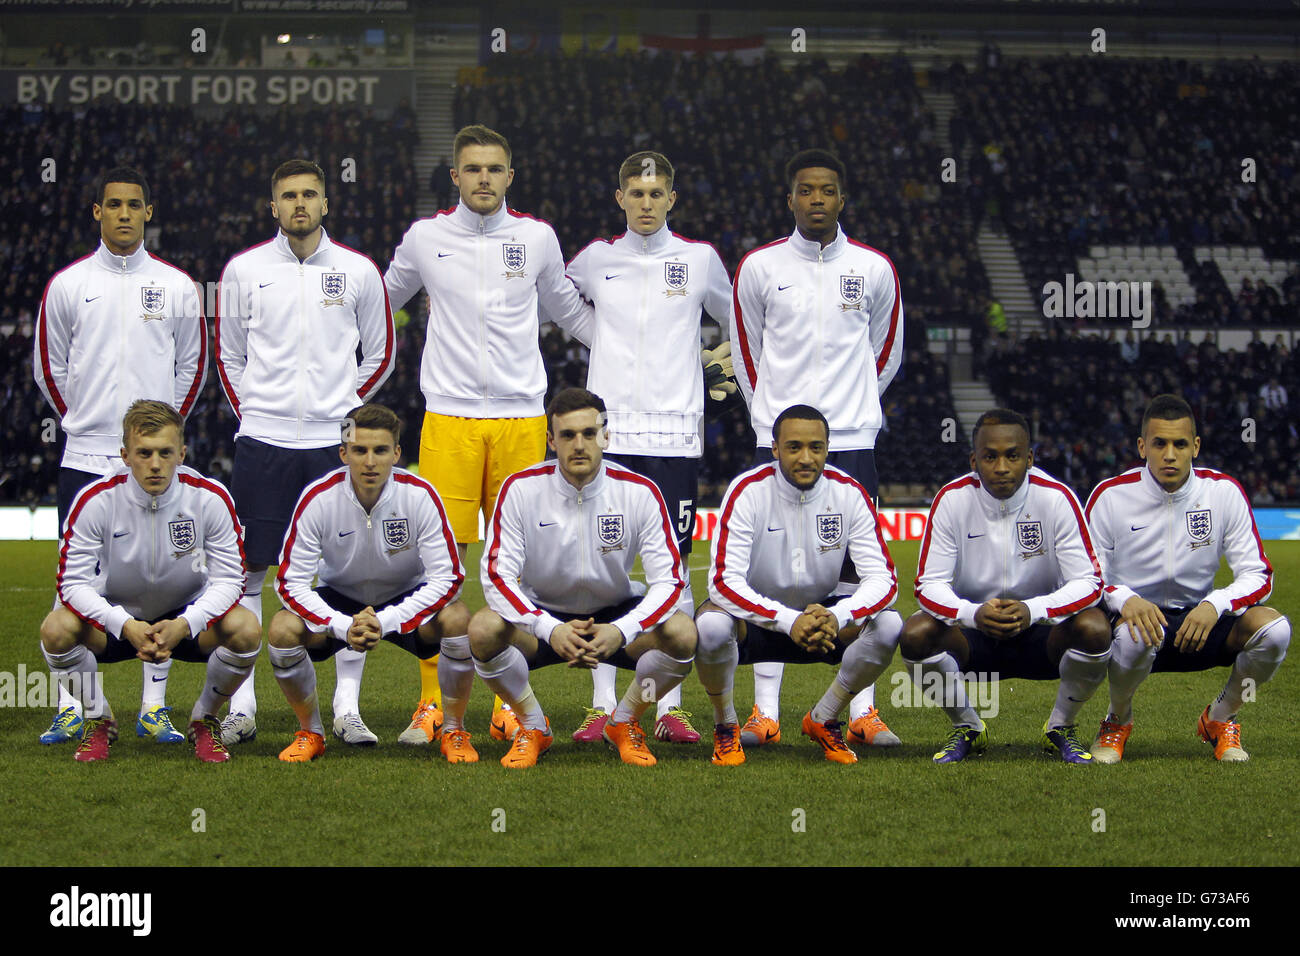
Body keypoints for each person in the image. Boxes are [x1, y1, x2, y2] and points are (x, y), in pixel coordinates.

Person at [384, 125, 594, 746]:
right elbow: (378, 300)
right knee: (436, 566)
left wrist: (647, 355)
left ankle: (509, 700)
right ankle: (431, 703)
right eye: (472, 168)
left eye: (494, 169)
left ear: (510, 175)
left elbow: (569, 311)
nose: (483, 178)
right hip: (447, 417)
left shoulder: (536, 238)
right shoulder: (426, 238)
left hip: (523, 418)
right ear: (454, 176)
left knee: (520, 566)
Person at [215, 158, 396, 747]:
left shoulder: (358, 271)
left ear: (325, 204)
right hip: (263, 443)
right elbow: (229, 356)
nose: (299, 204)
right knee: (246, 574)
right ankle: (240, 706)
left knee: (342, 573)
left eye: (310, 195)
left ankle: (345, 708)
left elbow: (382, 353)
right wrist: (258, 415)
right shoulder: (243, 270)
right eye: (288, 195)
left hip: (330, 446)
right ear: (273, 206)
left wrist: (344, 415)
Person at [730, 148, 903, 749]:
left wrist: (850, 415)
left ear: (841, 198)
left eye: (827, 190)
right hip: (776, 442)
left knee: (858, 577)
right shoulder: (759, 267)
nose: (817, 199)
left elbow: (885, 352)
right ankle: (764, 712)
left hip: (852, 437)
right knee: (767, 574)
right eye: (806, 190)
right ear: (791, 199)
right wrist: (778, 426)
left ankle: (859, 710)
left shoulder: (875, 268)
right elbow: (746, 352)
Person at [562, 149, 735, 746]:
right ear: (620, 198)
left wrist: (722, 361)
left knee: (674, 573)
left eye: (655, 193)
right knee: (603, 572)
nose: (645, 203)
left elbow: (741, 318)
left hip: (676, 439)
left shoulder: (699, 259)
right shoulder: (595, 260)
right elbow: (555, 301)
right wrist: (598, 335)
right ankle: (601, 706)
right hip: (610, 439)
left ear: (671, 199)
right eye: (635, 193)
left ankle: (666, 706)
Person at [33, 166, 207, 747]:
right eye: (114, 205)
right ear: (96, 212)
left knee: (160, 581)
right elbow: (50, 367)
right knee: (74, 588)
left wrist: (158, 438)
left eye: (135, 204)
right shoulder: (66, 285)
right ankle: (80, 707)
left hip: (155, 459)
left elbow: (193, 366)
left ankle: (153, 708)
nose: (125, 214)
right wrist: (83, 422)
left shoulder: (178, 286)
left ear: (149, 213)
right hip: (85, 456)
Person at [469, 388, 697, 768]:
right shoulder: (521, 489)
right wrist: (547, 628)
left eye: (589, 434)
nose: (579, 444)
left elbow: (670, 582)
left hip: (615, 615)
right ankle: (532, 725)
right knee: (482, 629)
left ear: (605, 436)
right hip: (542, 617)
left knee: (683, 633)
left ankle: (624, 721)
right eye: (567, 435)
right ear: (550, 440)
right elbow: (497, 575)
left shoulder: (639, 491)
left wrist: (622, 630)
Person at [38, 400, 259, 762]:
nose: (155, 464)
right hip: (117, 619)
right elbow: (72, 585)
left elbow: (231, 580)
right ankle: (98, 718)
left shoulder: (210, 498)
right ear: (125, 455)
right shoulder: (95, 501)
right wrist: (123, 624)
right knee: (56, 629)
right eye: (144, 453)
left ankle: (205, 719)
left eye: (165, 452)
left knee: (246, 629)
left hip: (185, 620)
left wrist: (186, 623)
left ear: (182, 453)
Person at [1084, 394, 1289, 763]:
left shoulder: (1223, 493)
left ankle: (1220, 719)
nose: (1169, 454)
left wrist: (1216, 603)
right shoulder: (1110, 496)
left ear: (1195, 446)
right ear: (1142, 446)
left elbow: (1258, 573)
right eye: (1159, 443)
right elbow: (1086, 577)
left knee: (1275, 630)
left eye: (1180, 444)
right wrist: (1124, 599)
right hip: (1136, 625)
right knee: (1134, 633)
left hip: (1200, 623)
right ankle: (1117, 720)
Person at [695, 404, 902, 766]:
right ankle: (726, 725)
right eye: (793, 447)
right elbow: (723, 583)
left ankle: (824, 717)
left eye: (815, 447)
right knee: (710, 624)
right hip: (759, 621)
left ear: (827, 447)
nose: (806, 458)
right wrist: (789, 621)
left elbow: (884, 579)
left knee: (890, 624)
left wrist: (838, 615)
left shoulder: (849, 492)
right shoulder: (747, 491)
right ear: (774, 449)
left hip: (823, 621)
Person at [901, 408, 1110, 764]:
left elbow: (1089, 582)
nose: (1001, 467)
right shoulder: (952, 500)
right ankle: (967, 726)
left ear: (1028, 458)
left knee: (1095, 628)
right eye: (990, 456)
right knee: (915, 632)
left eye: (1012, 456)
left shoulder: (1056, 498)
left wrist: (1034, 610)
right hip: (975, 636)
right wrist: (972, 614)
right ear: (974, 459)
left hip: (1043, 635)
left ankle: (1061, 726)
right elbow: (927, 585)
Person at [269, 404, 473, 762]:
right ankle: (311, 732)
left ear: (396, 452)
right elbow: (289, 582)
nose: (370, 461)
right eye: (360, 450)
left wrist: (389, 620)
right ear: (343, 452)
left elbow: (449, 577)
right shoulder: (318, 498)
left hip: (402, 600)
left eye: (380, 450)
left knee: (458, 620)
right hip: (340, 600)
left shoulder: (419, 495)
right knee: (282, 629)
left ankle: (454, 731)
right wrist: (342, 624)